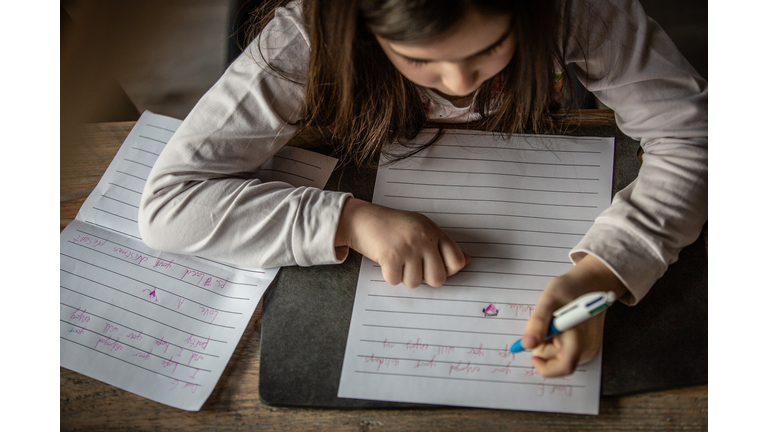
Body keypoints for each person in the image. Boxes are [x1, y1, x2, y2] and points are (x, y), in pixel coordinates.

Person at [138, 0, 707, 378]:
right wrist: (349, 221)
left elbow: (695, 139)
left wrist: (605, 273)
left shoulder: (577, 9)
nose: (461, 84)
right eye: (419, 59)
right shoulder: (304, 38)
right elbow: (170, 205)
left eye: (490, 46)